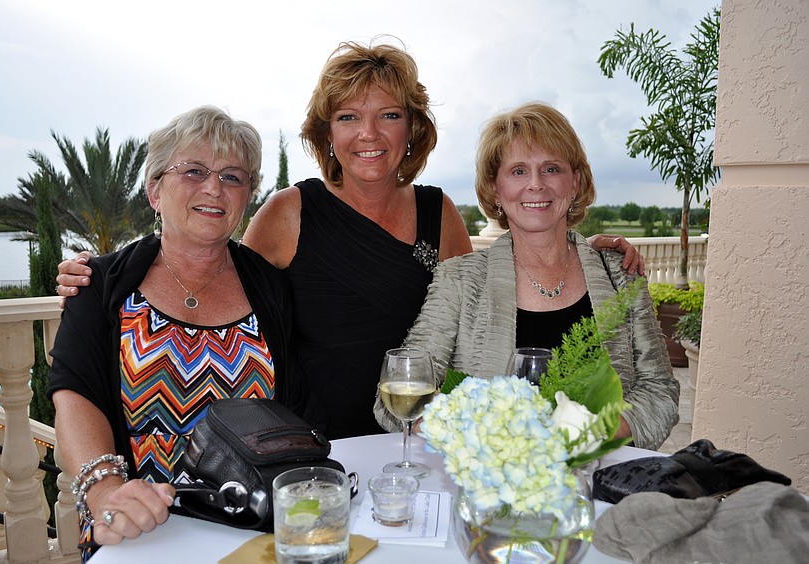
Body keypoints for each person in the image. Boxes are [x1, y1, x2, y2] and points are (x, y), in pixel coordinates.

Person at [57, 41, 643, 440]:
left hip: (419, 438)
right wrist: (110, 272)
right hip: (313, 444)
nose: (369, 134)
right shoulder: (289, 212)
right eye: (347, 117)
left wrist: (585, 251)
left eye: (388, 115)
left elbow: (485, 309)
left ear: (411, 129)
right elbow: (213, 269)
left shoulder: (439, 213)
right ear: (327, 133)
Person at [48, 106, 299, 559]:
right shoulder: (100, 284)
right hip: (137, 530)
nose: (213, 188)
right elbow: (73, 393)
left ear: (247, 198)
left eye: (232, 177)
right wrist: (105, 491)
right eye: (194, 171)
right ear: (154, 191)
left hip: (250, 531)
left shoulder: (274, 289)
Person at [374, 102, 678, 451]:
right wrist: (477, 435)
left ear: (575, 182)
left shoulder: (620, 276)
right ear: (495, 188)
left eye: (551, 169)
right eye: (518, 171)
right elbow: (398, 392)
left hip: (598, 474)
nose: (536, 184)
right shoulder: (459, 281)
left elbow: (660, 392)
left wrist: (584, 433)